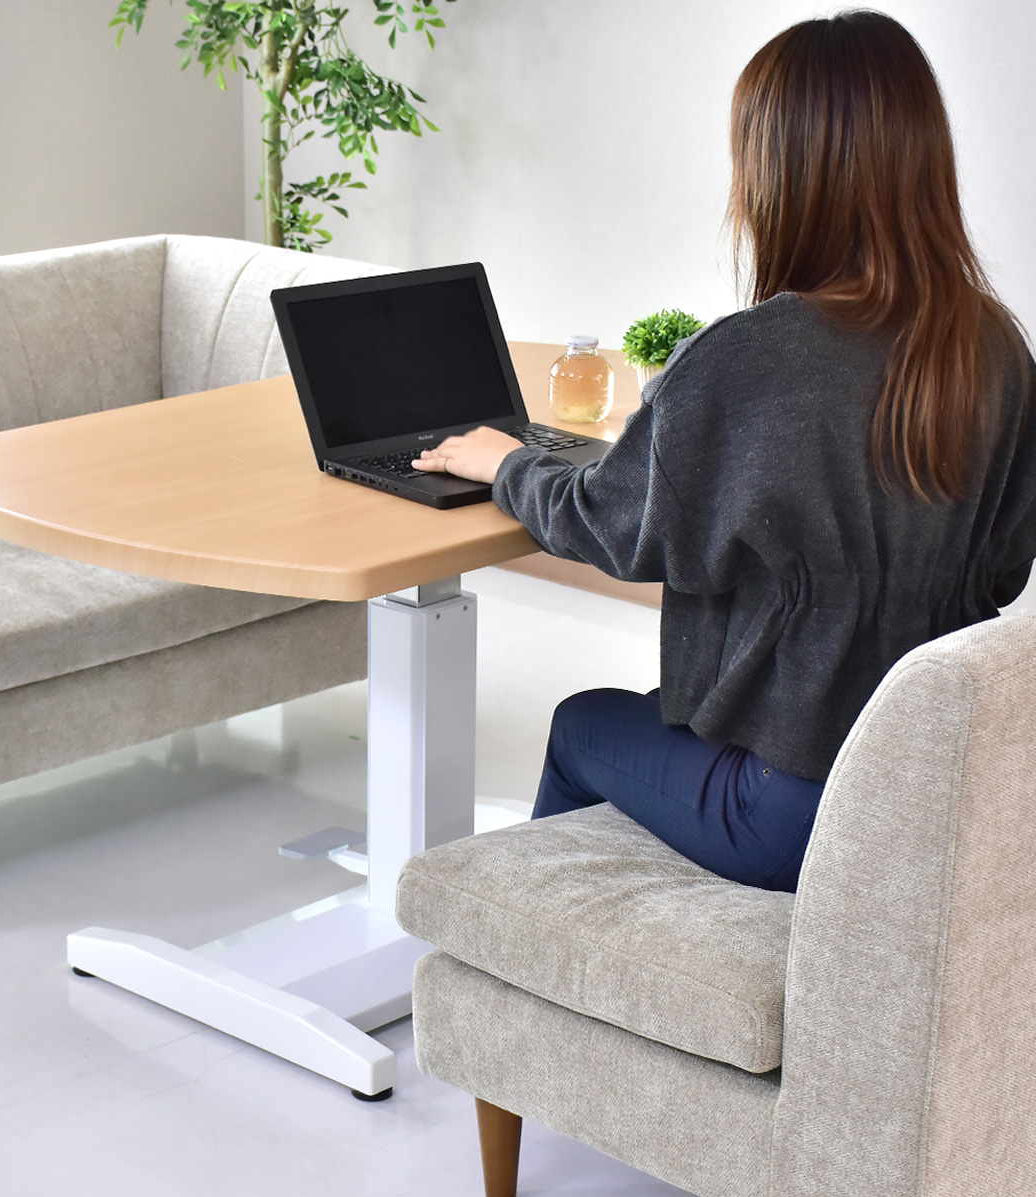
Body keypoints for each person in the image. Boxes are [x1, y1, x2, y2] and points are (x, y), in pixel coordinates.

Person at [412, 10, 1036, 892]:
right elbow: (1004, 570)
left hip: (787, 812)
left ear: (779, 174)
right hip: (936, 789)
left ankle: (524, 936)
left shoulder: (747, 358)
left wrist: (507, 464)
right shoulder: (995, 348)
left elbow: (610, 527)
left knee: (582, 725)